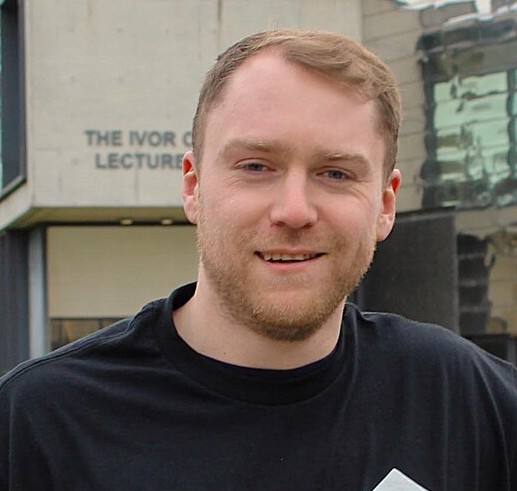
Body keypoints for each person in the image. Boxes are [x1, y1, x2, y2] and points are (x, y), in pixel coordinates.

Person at [1, 29, 516, 491]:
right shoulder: (39, 421)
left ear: (385, 204)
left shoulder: (466, 400)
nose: (294, 210)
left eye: (336, 173)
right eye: (255, 166)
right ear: (193, 187)